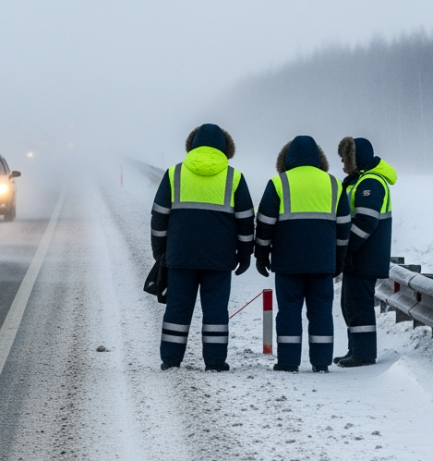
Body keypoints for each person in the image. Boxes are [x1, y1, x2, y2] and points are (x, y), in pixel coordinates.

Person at [150, 124, 254, 371]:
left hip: (180, 256)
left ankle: (171, 360)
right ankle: (215, 362)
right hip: (220, 258)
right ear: (227, 148)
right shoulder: (234, 177)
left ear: (191, 145)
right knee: (216, 310)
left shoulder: (175, 173)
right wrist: (245, 254)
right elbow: (246, 221)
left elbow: (159, 217)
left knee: (177, 309)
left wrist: (160, 251)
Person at [254, 136, 351, 373]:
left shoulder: (279, 183)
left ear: (286, 158)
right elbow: (343, 227)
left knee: (288, 310)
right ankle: (321, 362)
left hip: (288, 262)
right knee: (321, 311)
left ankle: (288, 362)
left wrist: (261, 254)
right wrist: (338, 259)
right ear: (319, 158)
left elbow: (265, 224)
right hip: (322, 262)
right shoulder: (334, 184)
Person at [335, 137, 396, 368]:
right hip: (360, 255)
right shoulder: (359, 180)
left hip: (365, 255)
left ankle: (364, 354)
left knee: (359, 305)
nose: (343, 163)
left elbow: (366, 222)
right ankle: (356, 349)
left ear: (355, 158)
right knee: (350, 304)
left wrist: (347, 248)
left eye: (345, 158)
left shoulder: (370, 182)